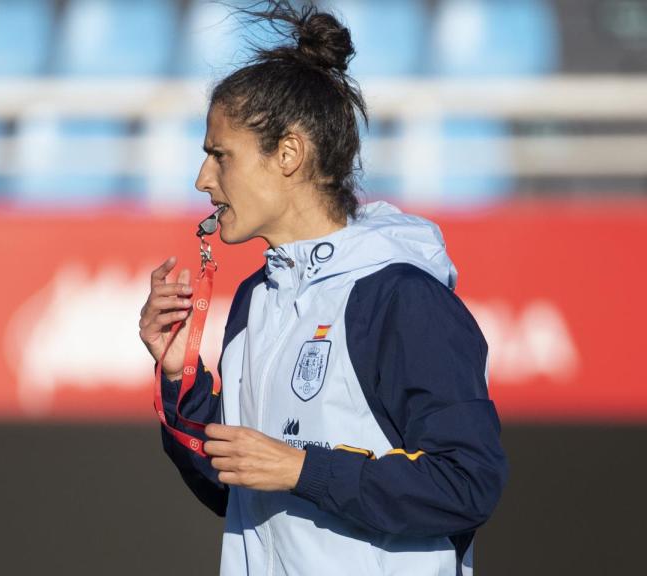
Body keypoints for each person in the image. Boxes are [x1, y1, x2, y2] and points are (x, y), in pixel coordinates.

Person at [138, 2, 507, 575]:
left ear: (288, 154)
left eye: (219, 155)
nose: (202, 179)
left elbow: (466, 484)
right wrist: (177, 376)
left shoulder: (401, 297)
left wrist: (301, 469)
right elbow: (238, 490)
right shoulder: (253, 300)